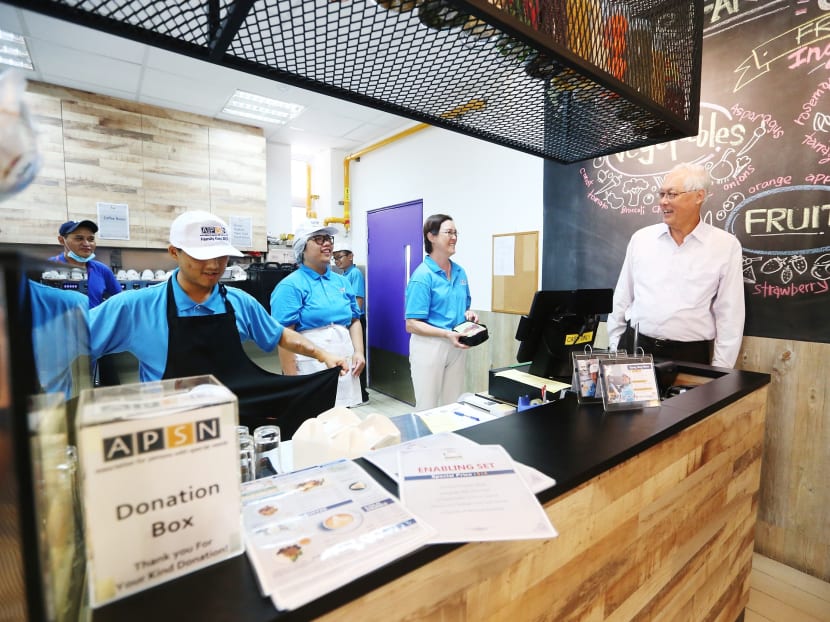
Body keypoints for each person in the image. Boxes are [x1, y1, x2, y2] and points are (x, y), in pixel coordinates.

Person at [89, 210, 348, 418]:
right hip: (170, 424)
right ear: (173, 252)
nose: (214, 266)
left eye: (221, 256)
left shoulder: (239, 302)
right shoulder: (136, 307)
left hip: (233, 420)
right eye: (202, 256)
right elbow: (74, 341)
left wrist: (323, 355)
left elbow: (281, 335)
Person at [606, 162, 745, 368]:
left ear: (699, 196)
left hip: (690, 354)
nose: (663, 202)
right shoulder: (641, 239)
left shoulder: (725, 246)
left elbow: (730, 314)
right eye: (661, 194)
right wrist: (615, 345)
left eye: (671, 195)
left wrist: (720, 370)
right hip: (636, 346)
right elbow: (622, 296)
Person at [270, 220, 364, 408]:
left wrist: (359, 352)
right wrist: (292, 381)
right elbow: (284, 335)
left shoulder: (340, 282)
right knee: (314, 419)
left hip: (343, 361)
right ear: (302, 248)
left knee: (343, 416)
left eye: (328, 239)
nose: (327, 243)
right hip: (309, 365)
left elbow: (354, 320)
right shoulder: (291, 285)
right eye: (318, 239)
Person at [404, 214, 478, 410]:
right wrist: (445, 333)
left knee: (452, 405)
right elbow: (411, 324)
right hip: (430, 346)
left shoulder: (460, 272)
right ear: (432, 237)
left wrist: (469, 315)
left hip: (456, 344)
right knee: (427, 407)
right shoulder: (422, 276)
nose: (454, 237)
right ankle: (423, 442)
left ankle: (448, 441)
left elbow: (465, 306)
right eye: (448, 232)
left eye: (455, 233)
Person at [50, 219, 122, 385]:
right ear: (62, 240)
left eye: (90, 239)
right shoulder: (49, 268)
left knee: (108, 389)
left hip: (98, 340)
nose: (87, 243)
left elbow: (120, 301)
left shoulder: (101, 270)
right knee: (71, 391)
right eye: (79, 238)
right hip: (62, 343)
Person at [333, 241, 370, 404]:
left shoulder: (354, 274)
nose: (337, 261)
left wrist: (350, 321)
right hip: (346, 322)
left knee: (357, 356)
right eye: (335, 258)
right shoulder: (343, 276)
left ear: (350, 256)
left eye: (340, 257)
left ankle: (362, 394)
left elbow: (358, 301)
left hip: (355, 321)